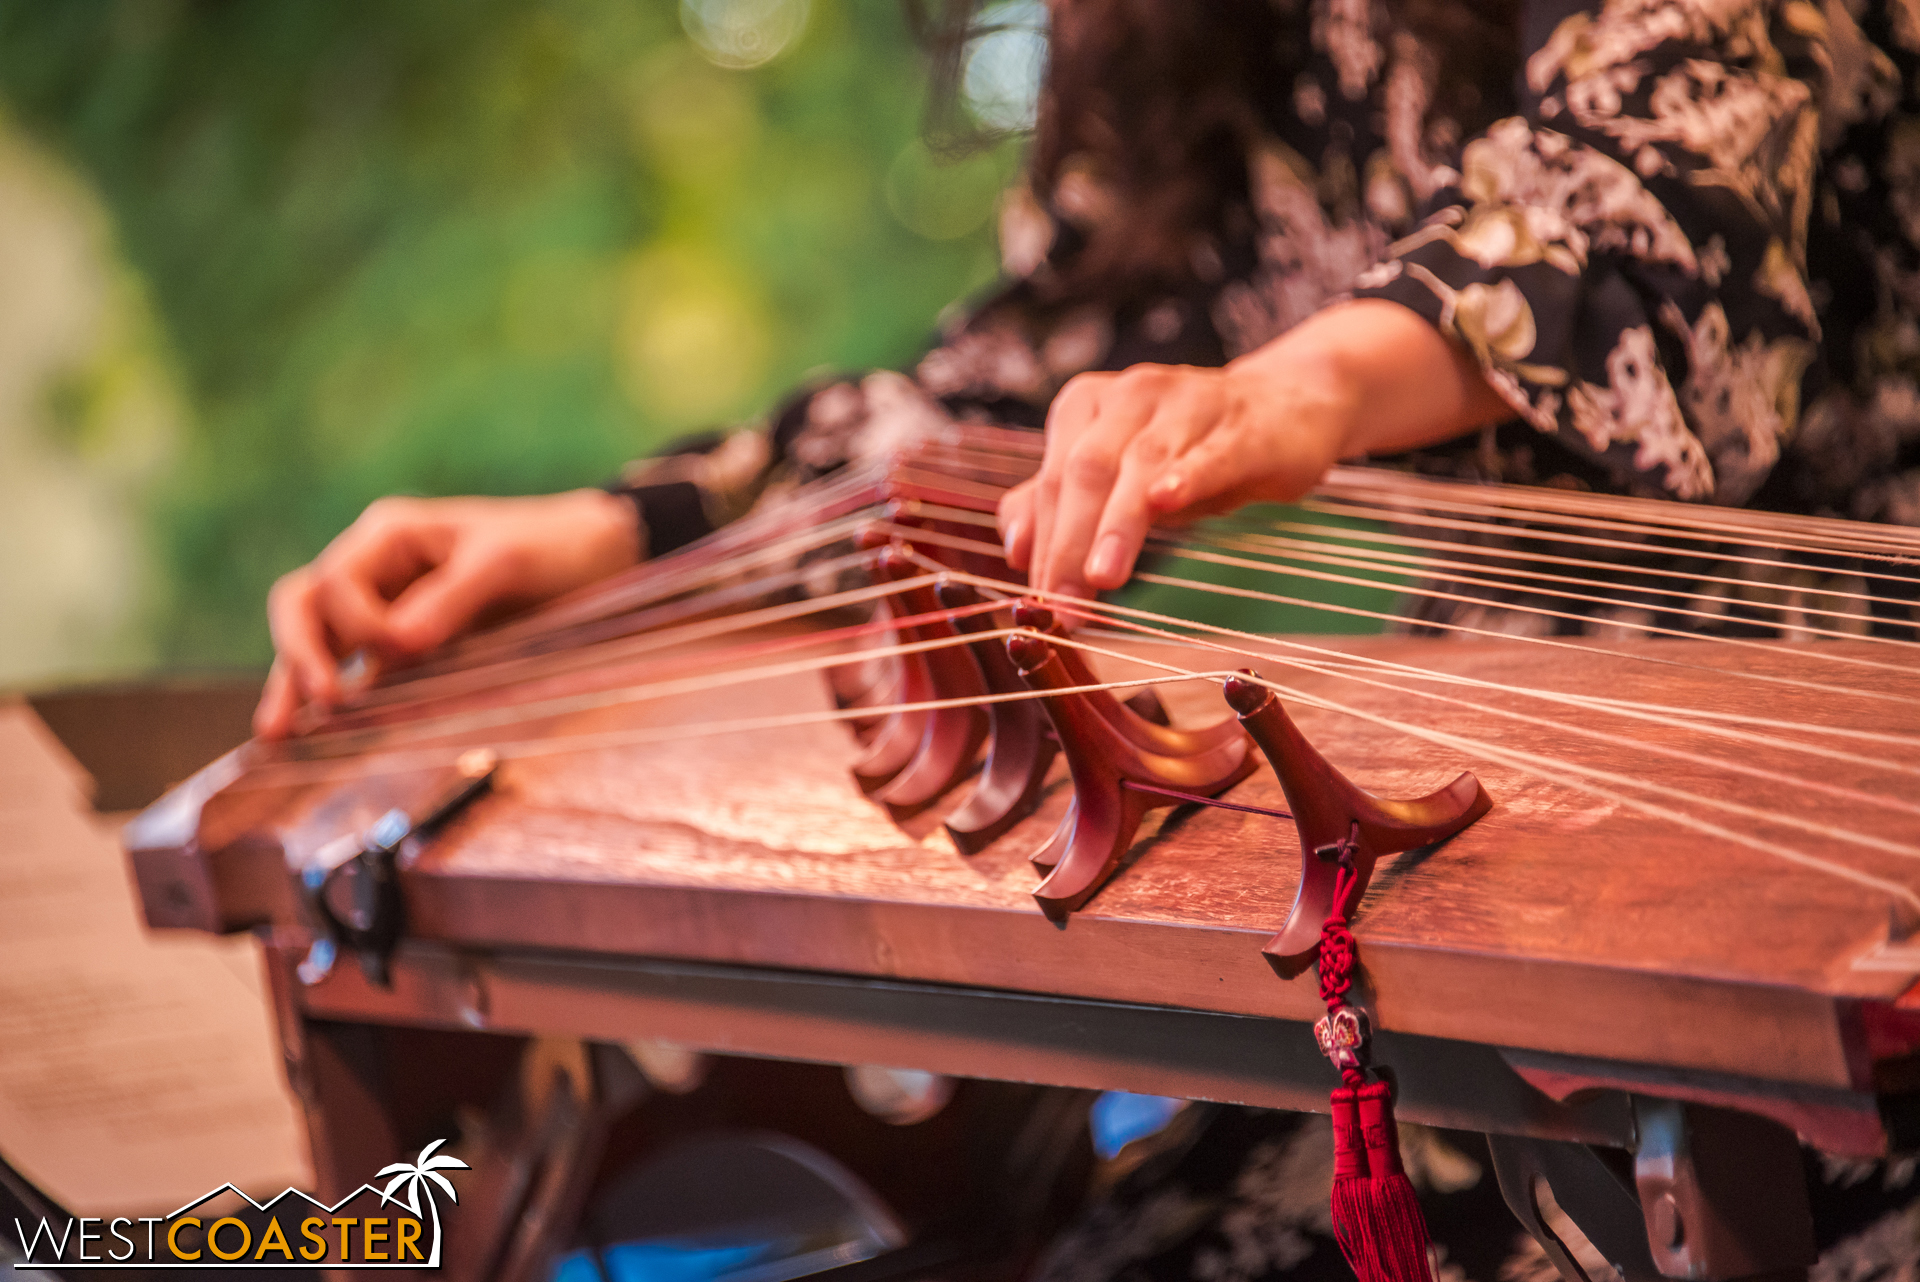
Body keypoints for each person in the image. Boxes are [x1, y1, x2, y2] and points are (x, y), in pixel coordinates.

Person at [251, 0, 1920, 1267]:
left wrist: (1296, 387)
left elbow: (1644, 196)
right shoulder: (1209, 37)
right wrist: (609, 532)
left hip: (1852, 818)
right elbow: (1020, 379)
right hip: (1532, 867)